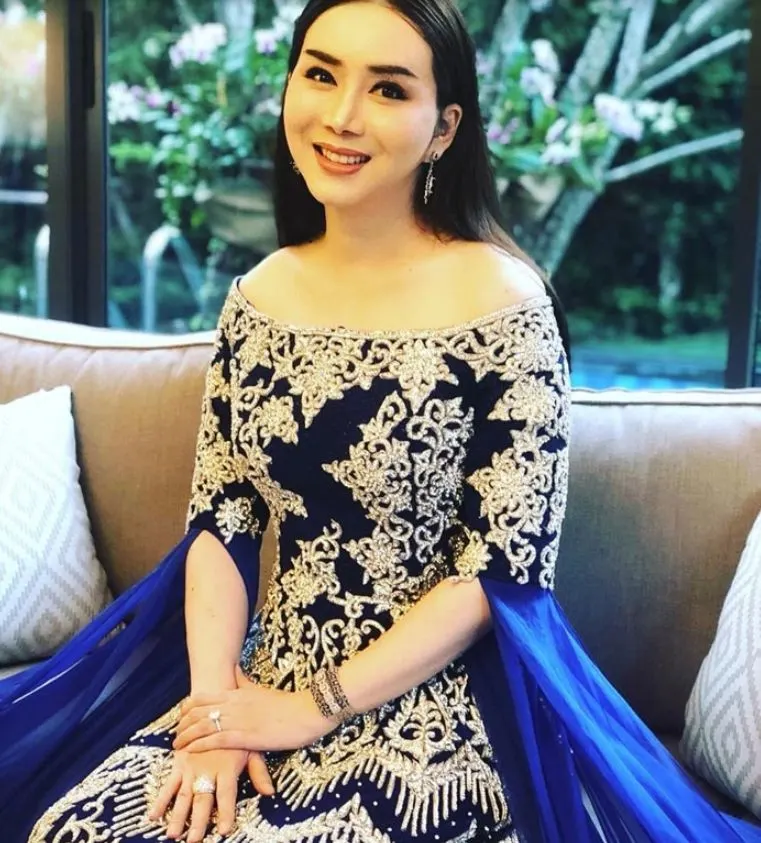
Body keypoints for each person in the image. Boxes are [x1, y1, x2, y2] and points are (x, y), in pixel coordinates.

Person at [3, 1, 761, 841]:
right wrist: (218, 713)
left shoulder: (504, 303)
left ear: (444, 128)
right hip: (262, 672)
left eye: (388, 89)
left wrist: (309, 708)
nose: (341, 115)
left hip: (444, 703)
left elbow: (498, 570)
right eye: (320, 74)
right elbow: (219, 523)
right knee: (78, 827)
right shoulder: (257, 296)